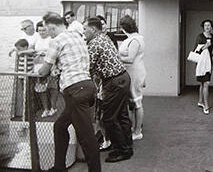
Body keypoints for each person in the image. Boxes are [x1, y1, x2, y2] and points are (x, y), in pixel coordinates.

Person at [37, 12, 100, 172]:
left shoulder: (56, 41)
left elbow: (44, 70)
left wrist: (37, 69)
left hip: (75, 90)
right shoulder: (77, 36)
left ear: (51, 27)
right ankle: (59, 167)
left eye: (47, 30)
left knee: (86, 137)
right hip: (86, 86)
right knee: (60, 126)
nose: (47, 33)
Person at [83, 17, 133, 162]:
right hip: (123, 78)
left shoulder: (94, 43)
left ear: (92, 29)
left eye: (85, 29)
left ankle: (121, 150)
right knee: (122, 115)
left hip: (113, 82)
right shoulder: (104, 38)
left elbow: (88, 66)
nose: (83, 32)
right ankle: (127, 146)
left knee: (109, 118)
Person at [118, 15, 147, 141]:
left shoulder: (135, 40)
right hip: (132, 72)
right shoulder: (135, 38)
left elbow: (130, 59)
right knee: (132, 102)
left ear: (124, 28)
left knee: (136, 101)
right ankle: (133, 127)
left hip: (134, 72)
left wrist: (116, 57)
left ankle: (138, 131)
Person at [33, 21, 59, 118]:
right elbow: (32, 49)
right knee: (41, 89)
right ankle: (46, 109)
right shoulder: (37, 39)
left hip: (51, 66)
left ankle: (53, 107)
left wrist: (43, 53)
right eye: (40, 30)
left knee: (53, 88)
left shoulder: (52, 39)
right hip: (39, 66)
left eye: (44, 30)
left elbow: (54, 51)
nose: (42, 32)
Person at [194, 19, 213, 115]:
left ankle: (200, 101)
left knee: (203, 84)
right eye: (206, 25)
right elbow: (196, 51)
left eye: (209, 25)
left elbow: (212, 50)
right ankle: (206, 106)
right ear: (203, 27)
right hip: (201, 63)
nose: (207, 27)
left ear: (211, 27)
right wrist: (205, 46)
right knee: (205, 83)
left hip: (208, 62)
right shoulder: (200, 36)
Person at [13, 39, 34, 119]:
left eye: (19, 49)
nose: (18, 51)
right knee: (23, 95)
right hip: (21, 77)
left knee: (28, 95)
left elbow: (32, 51)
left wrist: (22, 52)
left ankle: (29, 113)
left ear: (25, 47)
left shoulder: (29, 53)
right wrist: (14, 50)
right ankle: (24, 112)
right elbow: (17, 50)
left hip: (28, 78)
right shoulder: (22, 52)